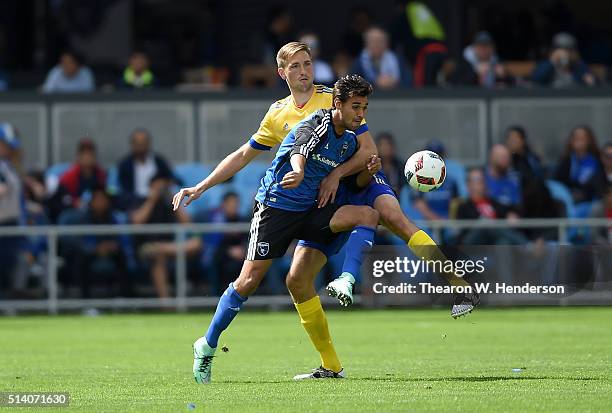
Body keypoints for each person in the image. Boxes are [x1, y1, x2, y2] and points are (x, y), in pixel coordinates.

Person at [173, 42, 475, 383]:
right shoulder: (278, 113)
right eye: (296, 66)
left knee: (391, 214)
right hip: (304, 199)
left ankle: (456, 282)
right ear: (282, 73)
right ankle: (326, 364)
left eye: (308, 63)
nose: (304, 71)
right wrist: (201, 186)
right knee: (294, 279)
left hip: (350, 179)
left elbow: (368, 151)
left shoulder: (338, 98)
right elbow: (244, 154)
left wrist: (335, 175)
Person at [174, 74, 381, 383]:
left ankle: (347, 280)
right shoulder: (316, 122)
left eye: (364, 107)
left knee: (367, 215)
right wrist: (297, 171)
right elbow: (298, 149)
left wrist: (368, 172)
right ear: (337, 104)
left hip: (312, 210)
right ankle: (206, 345)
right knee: (248, 281)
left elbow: (358, 180)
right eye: (356, 107)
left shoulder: (349, 140)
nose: (361, 115)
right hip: (276, 207)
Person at [130, 174, 202, 299]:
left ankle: (161, 248)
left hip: (168, 246)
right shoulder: (141, 200)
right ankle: (166, 302)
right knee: (159, 257)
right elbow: (137, 221)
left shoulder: (169, 202)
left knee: (196, 243)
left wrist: (174, 200)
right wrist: (151, 200)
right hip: (146, 248)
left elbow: (188, 224)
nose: (161, 189)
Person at [48, 138, 106, 222]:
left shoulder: (101, 176)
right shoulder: (68, 178)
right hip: (74, 210)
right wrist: (73, 203)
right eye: (84, 154)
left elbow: (107, 193)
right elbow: (58, 201)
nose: (87, 158)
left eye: (90, 154)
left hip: (96, 211)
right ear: (78, 157)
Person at [116, 128, 174, 209]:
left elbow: (172, 179)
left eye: (143, 143)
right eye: (138, 143)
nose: (140, 146)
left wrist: (163, 183)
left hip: (159, 199)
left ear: (148, 143)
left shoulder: (159, 162)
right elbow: (124, 190)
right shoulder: (125, 165)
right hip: (135, 201)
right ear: (132, 144)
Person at [554, 125, 606, 204]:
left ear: (589, 140)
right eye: (575, 137)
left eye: (582, 137)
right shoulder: (565, 161)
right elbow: (558, 183)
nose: (578, 140)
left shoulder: (598, 160)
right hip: (569, 199)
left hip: (591, 201)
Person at [531, 32, 596, 88]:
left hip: (573, 97)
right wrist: (552, 61)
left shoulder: (579, 65)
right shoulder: (546, 64)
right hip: (551, 97)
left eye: (568, 50)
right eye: (561, 49)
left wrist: (589, 81)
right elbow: (536, 80)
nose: (565, 53)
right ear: (554, 51)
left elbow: (591, 82)